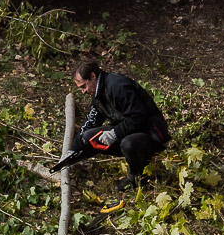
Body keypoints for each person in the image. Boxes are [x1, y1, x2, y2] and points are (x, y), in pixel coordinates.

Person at [62, 57, 168, 191]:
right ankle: (134, 158)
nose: (83, 91)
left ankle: (136, 177)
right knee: (89, 136)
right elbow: (90, 123)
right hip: (129, 132)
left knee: (127, 143)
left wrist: (115, 133)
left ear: (93, 76)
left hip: (150, 134)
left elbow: (138, 117)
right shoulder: (98, 96)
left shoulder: (117, 85)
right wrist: (72, 150)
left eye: (84, 86)